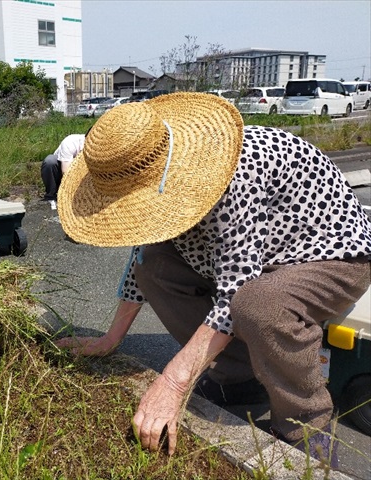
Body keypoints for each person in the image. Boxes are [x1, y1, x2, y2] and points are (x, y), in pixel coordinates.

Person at [55, 93, 371, 468]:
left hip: (326, 254)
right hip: (252, 253)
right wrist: (111, 338)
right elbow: (142, 254)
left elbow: (235, 290)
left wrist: (173, 383)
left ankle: (306, 431)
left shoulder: (229, 169)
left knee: (257, 304)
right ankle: (241, 377)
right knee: (154, 264)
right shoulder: (156, 173)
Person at [40, 133, 87, 204]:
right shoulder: (71, 142)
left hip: (84, 175)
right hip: (62, 171)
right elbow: (65, 172)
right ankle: (51, 195)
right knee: (50, 162)